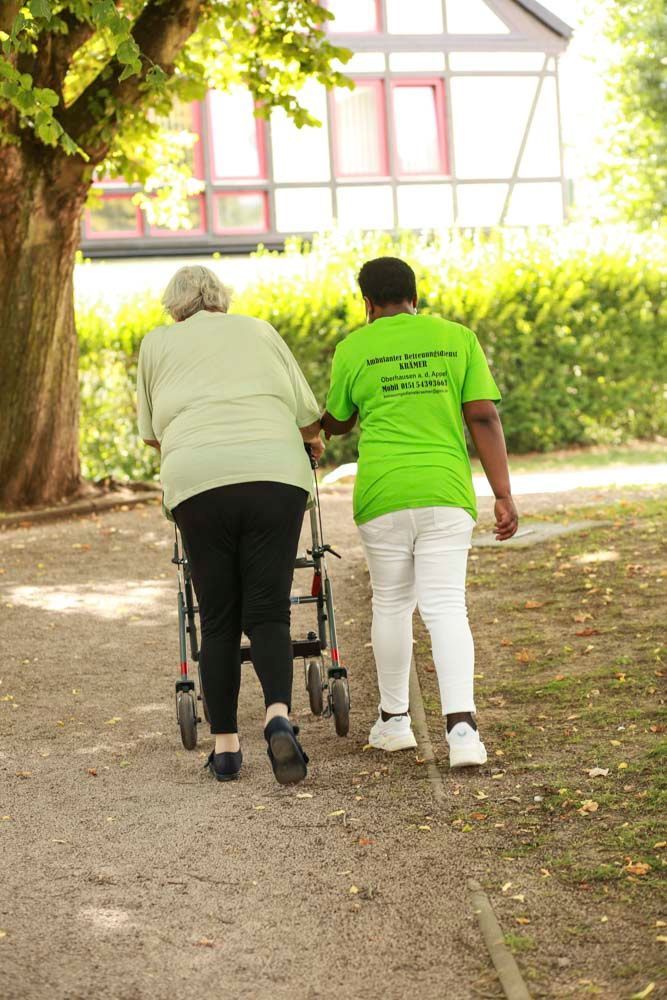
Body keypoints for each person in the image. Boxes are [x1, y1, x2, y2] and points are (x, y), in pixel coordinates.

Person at [322, 257, 518, 768]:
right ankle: (463, 733)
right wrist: (503, 493)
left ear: (366, 303)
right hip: (445, 490)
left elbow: (338, 422)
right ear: (416, 295)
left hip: (383, 493)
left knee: (390, 603)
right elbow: (482, 414)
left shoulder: (353, 348)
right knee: (447, 606)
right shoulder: (457, 338)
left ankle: (394, 723)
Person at [136, 265, 324, 785]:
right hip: (274, 477)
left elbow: (153, 433)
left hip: (198, 482)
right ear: (222, 298)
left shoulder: (156, 345)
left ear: (173, 305)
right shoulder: (259, 329)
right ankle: (278, 717)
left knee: (217, 617)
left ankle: (224, 750)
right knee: (266, 612)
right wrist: (313, 439)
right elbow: (306, 412)